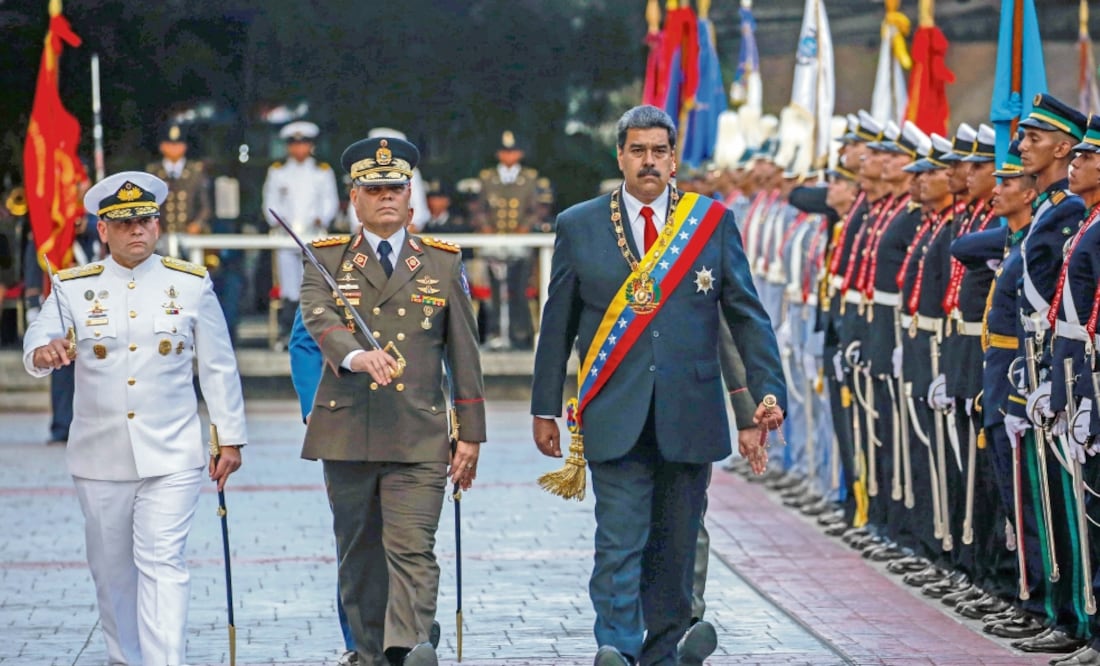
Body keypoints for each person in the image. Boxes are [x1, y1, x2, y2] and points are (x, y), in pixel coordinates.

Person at [530, 105, 786, 666]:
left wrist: (767, 393)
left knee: (676, 545)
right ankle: (617, 649)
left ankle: (666, 651)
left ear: (674, 159)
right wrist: (543, 407)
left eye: (659, 151)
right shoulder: (580, 223)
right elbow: (559, 323)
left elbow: (744, 315)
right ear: (620, 155)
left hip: (689, 411)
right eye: (638, 150)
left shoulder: (711, 221)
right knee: (618, 542)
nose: (649, 161)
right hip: (611, 408)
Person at [21, 170, 247, 666]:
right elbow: (37, 338)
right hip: (99, 455)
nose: (137, 231)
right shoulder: (72, 287)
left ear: (158, 225)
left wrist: (229, 438)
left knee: (163, 562)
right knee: (113, 572)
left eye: (145, 220)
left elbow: (217, 364)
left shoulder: (188, 284)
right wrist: (45, 352)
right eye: (124, 224)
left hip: (173, 452)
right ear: (102, 230)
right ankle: (125, 659)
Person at [298, 135, 485, 666]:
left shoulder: (442, 264)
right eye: (373, 188)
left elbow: (464, 354)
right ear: (353, 198)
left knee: (412, 549)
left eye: (396, 189)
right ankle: (369, 653)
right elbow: (318, 317)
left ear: (411, 198)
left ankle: (406, 650)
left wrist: (470, 432)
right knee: (359, 557)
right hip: (348, 427)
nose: (386, 197)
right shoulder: (328, 257)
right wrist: (355, 357)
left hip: (418, 429)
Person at [287, 307, 443, 666]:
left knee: (411, 540)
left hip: (413, 422)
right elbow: (307, 340)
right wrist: (315, 407)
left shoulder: (436, 258)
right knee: (360, 543)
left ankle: (407, 636)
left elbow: (446, 339)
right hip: (349, 422)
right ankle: (364, 643)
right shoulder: (332, 260)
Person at [263, 120, 340, 349]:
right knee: (288, 287)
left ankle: (314, 333)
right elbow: (270, 204)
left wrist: (322, 217)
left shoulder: (322, 172)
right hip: (286, 237)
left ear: (310, 146)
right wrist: (279, 221)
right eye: (294, 144)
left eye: (304, 144)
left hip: (313, 236)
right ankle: (287, 333)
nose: (299, 149)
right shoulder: (277, 172)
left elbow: (330, 202)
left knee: (313, 285)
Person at [476, 130, 550, 350]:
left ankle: (520, 333)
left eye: (513, 152)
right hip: (494, 242)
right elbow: (479, 208)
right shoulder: (488, 178)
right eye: (505, 152)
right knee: (494, 291)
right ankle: (495, 331)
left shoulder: (529, 178)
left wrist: (525, 226)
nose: (509, 156)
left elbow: (536, 208)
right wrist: (485, 226)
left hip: (519, 242)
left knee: (519, 288)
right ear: (499, 154)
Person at [145, 121, 212, 258]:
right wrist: (153, 225)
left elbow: (205, 207)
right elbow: (147, 205)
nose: (174, 148)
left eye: (178, 144)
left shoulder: (195, 172)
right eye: (170, 144)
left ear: (184, 146)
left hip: (189, 235)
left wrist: (197, 224)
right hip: (161, 237)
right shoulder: (153, 172)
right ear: (162, 146)